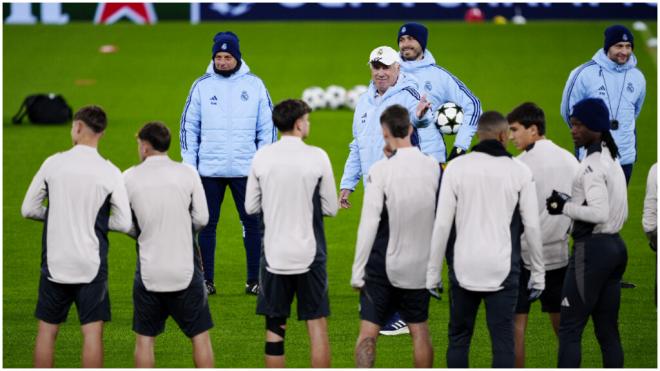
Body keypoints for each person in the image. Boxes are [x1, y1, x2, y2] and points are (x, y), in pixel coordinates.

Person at [426, 111, 546, 368]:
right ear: (503, 135)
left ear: (478, 135)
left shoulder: (456, 168)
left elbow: (442, 224)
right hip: (502, 269)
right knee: (503, 340)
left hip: (463, 267)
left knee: (459, 339)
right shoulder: (519, 171)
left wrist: (433, 273)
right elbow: (532, 227)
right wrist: (538, 274)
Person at [21, 105, 132, 368]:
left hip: (55, 263)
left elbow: (29, 209)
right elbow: (125, 221)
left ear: (79, 127)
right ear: (102, 133)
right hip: (91, 265)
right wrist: (97, 222)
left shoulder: (53, 163)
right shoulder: (110, 171)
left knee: (47, 332)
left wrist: (57, 214)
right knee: (92, 334)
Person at [339, 45, 434, 335]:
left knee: (394, 249)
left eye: (386, 68)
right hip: (374, 185)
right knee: (381, 247)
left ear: (397, 70)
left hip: (402, 185)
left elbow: (419, 120)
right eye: (376, 67)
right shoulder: (365, 101)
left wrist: (420, 117)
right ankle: (383, 304)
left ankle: (400, 314)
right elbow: (357, 145)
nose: (380, 73)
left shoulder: (409, 95)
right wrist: (347, 183)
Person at [180, 31, 277, 296]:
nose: (222, 62)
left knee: (252, 224)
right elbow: (188, 128)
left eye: (227, 57)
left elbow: (267, 128)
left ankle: (254, 281)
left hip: (246, 171)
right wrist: (190, 166)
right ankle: (206, 281)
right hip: (208, 171)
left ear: (237, 57)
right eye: (218, 57)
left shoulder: (255, 85)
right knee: (206, 225)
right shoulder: (201, 86)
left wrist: (263, 163)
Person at [245, 99, 338, 368]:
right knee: (317, 326)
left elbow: (251, 206)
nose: (308, 124)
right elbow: (331, 207)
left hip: (274, 256)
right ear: (299, 124)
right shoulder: (317, 156)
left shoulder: (262, 157)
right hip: (310, 255)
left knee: (275, 330)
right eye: (307, 120)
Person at [350, 104, 439, 368]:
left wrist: (358, 271)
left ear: (384, 132)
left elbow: (368, 223)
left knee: (368, 333)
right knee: (419, 331)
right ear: (411, 129)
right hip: (419, 265)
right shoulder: (432, 166)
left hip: (382, 265)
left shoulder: (380, 170)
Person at [123, 122, 214, 368]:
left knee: (145, 340)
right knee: (200, 338)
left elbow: (121, 222)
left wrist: (143, 232)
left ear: (144, 147)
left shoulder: (129, 177)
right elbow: (203, 218)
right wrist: (181, 230)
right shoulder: (188, 173)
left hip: (149, 270)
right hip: (185, 268)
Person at [546, 98, 628, 368]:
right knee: (607, 331)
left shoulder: (592, 166)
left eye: (578, 125)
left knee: (569, 329)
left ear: (595, 126)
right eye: (572, 124)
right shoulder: (611, 157)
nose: (573, 130)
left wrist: (564, 207)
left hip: (592, 250)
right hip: (615, 247)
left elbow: (599, 213)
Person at [506, 102, 580, 367]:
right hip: (560, 258)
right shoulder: (571, 161)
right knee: (565, 332)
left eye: (515, 130)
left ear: (533, 129)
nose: (511, 136)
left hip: (524, 260)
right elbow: (580, 208)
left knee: (515, 330)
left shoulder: (519, 165)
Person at [560, 24, 646, 184]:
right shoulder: (583, 73)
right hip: (592, 154)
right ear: (608, 47)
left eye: (628, 46)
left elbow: (634, 111)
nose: (624, 51)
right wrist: (585, 134)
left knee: (618, 207)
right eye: (619, 46)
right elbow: (567, 111)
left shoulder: (638, 77)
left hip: (624, 156)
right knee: (591, 205)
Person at [397, 22, 482, 162]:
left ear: (422, 42)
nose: (405, 44)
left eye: (411, 39)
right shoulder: (388, 74)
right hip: (396, 157)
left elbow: (473, 105)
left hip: (431, 158)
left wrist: (460, 146)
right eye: (402, 40)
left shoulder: (439, 76)